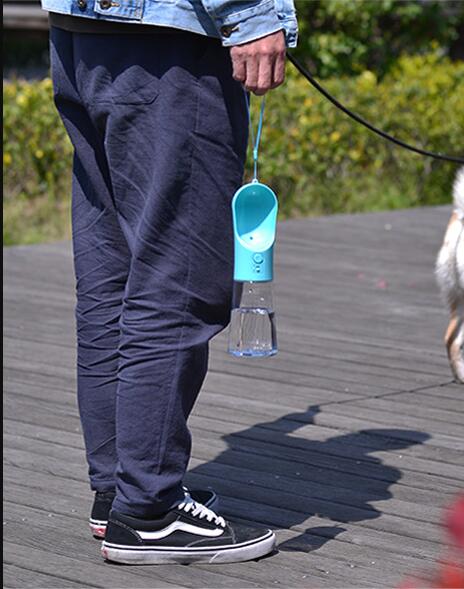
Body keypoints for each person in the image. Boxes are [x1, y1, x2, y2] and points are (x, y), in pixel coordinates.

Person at [41, 0, 297, 565]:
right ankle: (149, 510)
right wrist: (252, 13)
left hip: (81, 33)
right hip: (165, 44)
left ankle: (118, 490)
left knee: (113, 276)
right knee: (177, 276)